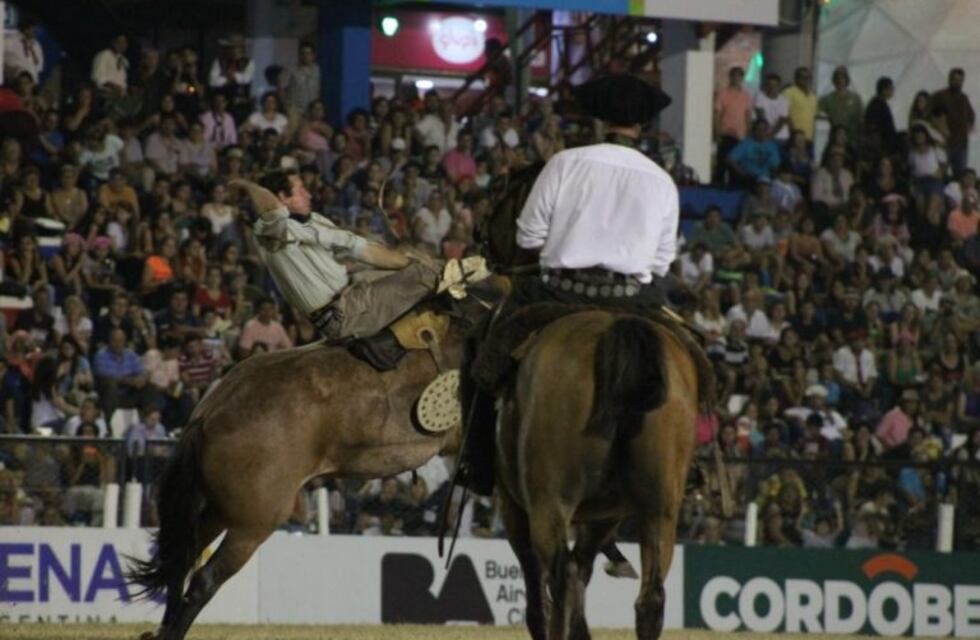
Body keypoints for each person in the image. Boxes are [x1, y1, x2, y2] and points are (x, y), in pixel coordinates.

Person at [458, 74, 675, 495]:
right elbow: (661, 261)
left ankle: (479, 466)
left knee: (480, 349)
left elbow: (527, 238)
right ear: (643, 126)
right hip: (634, 297)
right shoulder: (661, 180)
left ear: (599, 120)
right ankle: (689, 469)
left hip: (559, 290)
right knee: (695, 357)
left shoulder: (565, 163)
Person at [232, 170, 452, 342]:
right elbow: (272, 210)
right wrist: (247, 184)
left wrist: (402, 256)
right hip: (343, 313)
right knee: (428, 273)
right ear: (283, 197)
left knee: (421, 266)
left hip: (353, 293)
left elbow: (359, 250)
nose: (308, 194)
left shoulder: (315, 219)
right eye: (300, 190)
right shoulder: (271, 232)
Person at [930, 68, 975, 176]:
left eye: (960, 80)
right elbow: (928, 114)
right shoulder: (940, 96)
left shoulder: (964, 98)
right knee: (941, 174)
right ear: (949, 79)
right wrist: (940, 128)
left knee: (960, 176)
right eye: (955, 79)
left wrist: (967, 130)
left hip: (961, 144)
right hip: (944, 144)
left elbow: (971, 117)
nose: (957, 82)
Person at [714, 67, 753, 185]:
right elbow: (717, 114)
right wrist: (717, 131)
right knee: (722, 162)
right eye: (734, 76)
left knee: (736, 165)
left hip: (740, 135)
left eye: (739, 76)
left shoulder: (746, 96)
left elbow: (748, 116)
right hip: (726, 133)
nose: (736, 79)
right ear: (730, 78)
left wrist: (748, 132)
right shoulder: (723, 94)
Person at [819, 66, 863, 148]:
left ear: (847, 80)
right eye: (837, 78)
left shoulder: (855, 98)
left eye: (842, 78)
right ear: (834, 80)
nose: (840, 81)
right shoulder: (826, 99)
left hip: (852, 139)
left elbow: (861, 119)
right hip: (834, 138)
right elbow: (819, 117)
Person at [783, 67, 817, 145]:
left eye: (808, 78)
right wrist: (793, 132)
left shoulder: (812, 96)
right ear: (796, 78)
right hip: (793, 137)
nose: (806, 80)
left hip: (809, 137)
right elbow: (784, 114)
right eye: (803, 77)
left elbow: (814, 116)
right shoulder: (789, 92)